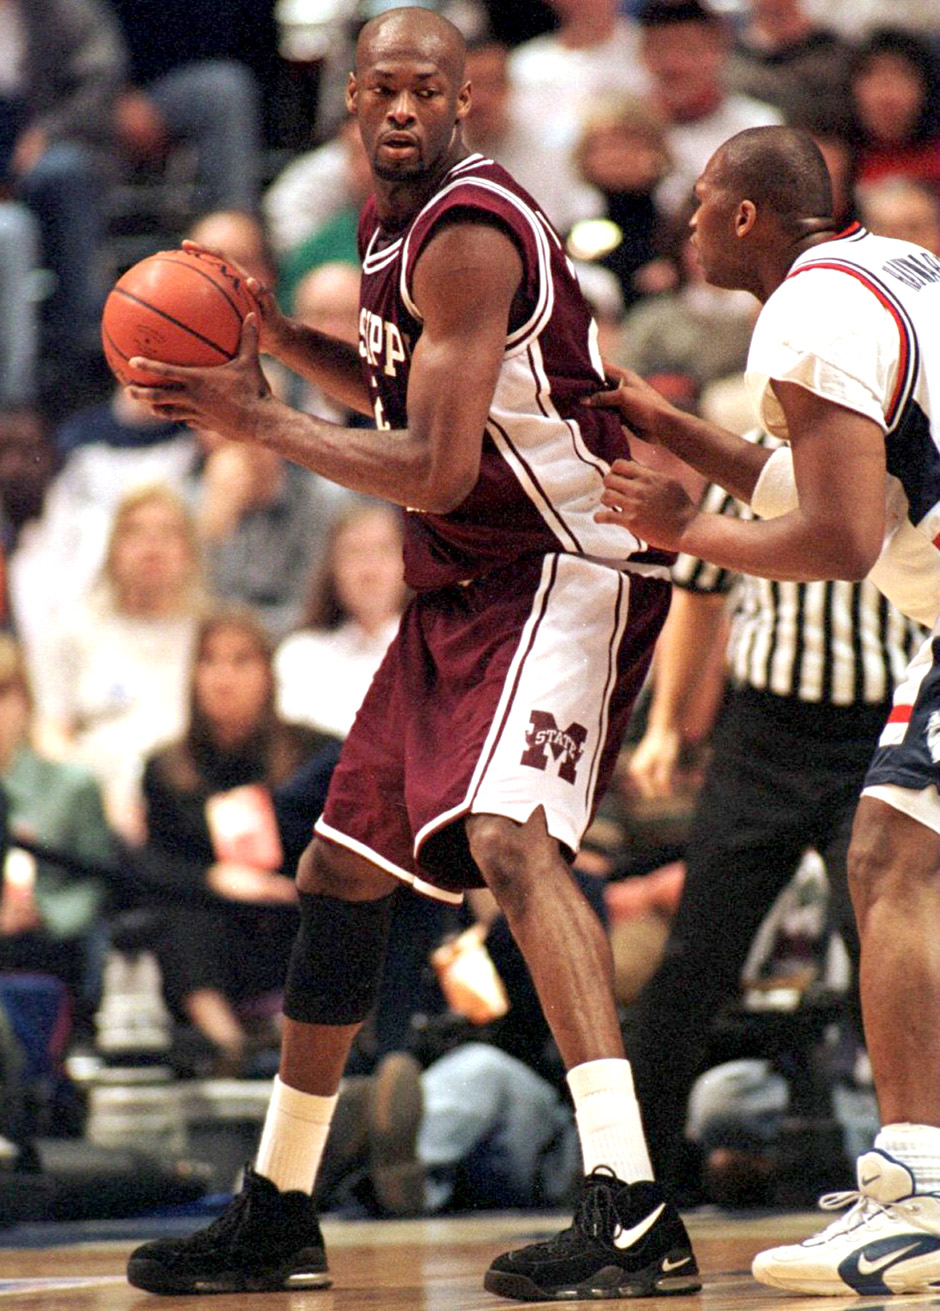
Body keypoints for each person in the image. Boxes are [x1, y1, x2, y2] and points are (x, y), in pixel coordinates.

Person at [121, 7, 699, 1301]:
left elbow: (435, 467)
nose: (398, 108)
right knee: (339, 866)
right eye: (376, 87)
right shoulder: (391, 231)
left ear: (462, 107)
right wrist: (272, 340)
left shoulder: (473, 234)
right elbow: (405, 399)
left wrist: (257, 417)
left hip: (568, 563)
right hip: (461, 585)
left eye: (423, 90)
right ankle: (279, 1202)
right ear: (347, 108)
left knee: (509, 838)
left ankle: (631, 1199)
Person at [593, 123, 940, 1295]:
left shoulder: (801, 313)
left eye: (698, 203)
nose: (683, 222)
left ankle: (918, 1194)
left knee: (891, 864)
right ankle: (916, 1183)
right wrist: (668, 428)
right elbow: (833, 485)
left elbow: (839, 543)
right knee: (893, 865)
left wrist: (681, 527)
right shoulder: (888, 267)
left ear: (745, 216)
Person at [621, 428, 925, 1200]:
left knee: (887, 952)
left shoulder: (906, 451)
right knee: (694, 960)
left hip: (880, 732)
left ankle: (909, 1177)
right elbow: (699, 588)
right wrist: (664, 725)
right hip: (764, 735)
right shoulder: (747, 452)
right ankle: (631, 1181)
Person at [135, 608, 335, 1075]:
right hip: (217, 926)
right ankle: (230, 1047)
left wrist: (289, 885)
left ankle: (307, 1044)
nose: (224, 678)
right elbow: (148, 866)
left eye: (241, 661)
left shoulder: (318, 755)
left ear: (268, 673)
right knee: (178, 920)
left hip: (297, 913)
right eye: (210, 661)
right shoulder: (165, 769)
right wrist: (216, 879)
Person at [31, 484, 206, 845]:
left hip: (188, 800)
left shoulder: (211, 635)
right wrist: (98, 798)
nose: (151, 545)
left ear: (189, 551)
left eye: (167, 533)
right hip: (99, 800)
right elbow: (50, 733)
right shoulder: (71, 629)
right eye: (135, 532)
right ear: (111, 549)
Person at [275, 501, 407, 739]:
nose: (369, 570)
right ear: (331, 568)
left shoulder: (434, 652)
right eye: (354, 553)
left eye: (384, 551)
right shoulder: (301, 654)